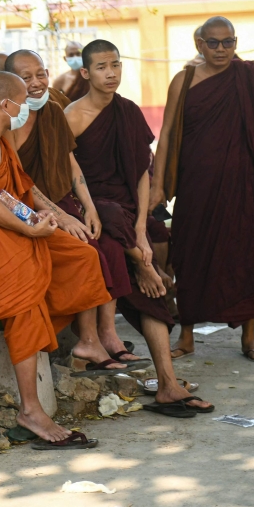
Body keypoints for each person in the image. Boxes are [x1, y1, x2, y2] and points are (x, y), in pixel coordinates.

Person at [0, 72, 109, 444]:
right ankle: (31, 410)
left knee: (80, 255)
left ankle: (86, 340)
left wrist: (49, 218)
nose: (27, 105)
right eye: (22, 99)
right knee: (25, 293)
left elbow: (14, 191)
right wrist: (29, 231)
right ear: (6, 105)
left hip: (5, 225)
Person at [64, 41, 213, 415]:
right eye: (101, 67)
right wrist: (140, 250)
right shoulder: (72, 116)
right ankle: (144, 264)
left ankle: (168, 384)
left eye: (115, 65)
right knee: (121, 231)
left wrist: (142, 230)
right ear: (85, 73)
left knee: (154, 294)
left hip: (128, 213)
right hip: (92, 210)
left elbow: (143, 173)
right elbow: (66, 177)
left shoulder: (127, 111)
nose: (111, 73)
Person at [3, 50, 142, 371]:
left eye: (41, 74)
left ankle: (107, 335)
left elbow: (70, 162)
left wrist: (88, 207)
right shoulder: (7, 116)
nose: (37, 83)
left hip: (63, 201)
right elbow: (18, 179)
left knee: (108, 244)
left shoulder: (52, 111)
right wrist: (61, 217)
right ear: (11, 83)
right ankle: (87, 340)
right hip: (27, 209)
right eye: (27, 78)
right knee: (87, 250)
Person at [151, 16, 254, 363]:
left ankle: (249, 338)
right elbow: (166, 135)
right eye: (213, 42)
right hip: (196, 185)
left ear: (235, 44)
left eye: (228, 42)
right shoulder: (184, 80)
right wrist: (157, 185)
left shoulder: (249, 78)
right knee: (190, 253)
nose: (221, 49)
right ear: (200, 44)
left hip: (241, 184)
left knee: (245, 256)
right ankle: (187, 336)